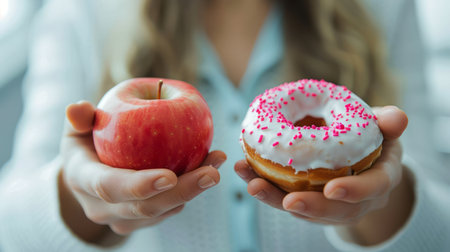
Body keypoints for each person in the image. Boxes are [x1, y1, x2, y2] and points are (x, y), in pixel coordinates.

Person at [0, 0, 449, 251]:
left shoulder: (385, 9)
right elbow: (11, 232)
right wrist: (75, 197)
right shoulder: (81, 13)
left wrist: (385, 204)